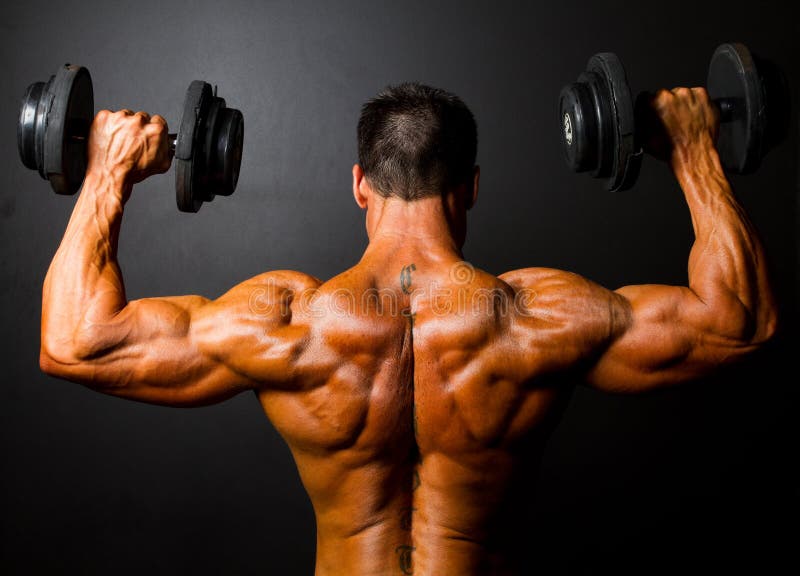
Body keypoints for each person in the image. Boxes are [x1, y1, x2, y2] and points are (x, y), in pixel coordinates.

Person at [39, 81, 776, 575]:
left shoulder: (288, 327)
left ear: (360, 184)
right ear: (472, 188)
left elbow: (74, 341)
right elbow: (738, 322)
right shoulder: (538, 320)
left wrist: (108, 171)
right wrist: (695, 151)